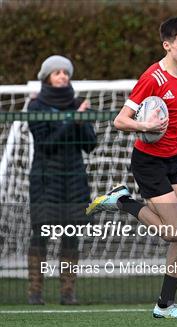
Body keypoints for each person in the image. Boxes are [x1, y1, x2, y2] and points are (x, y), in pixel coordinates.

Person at [86, 17, 177, 318]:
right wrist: (144, 124)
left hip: (174, 160)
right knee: (176, 232)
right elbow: (119, 121)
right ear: (167, 45)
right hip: (148, 162)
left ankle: (164, 306)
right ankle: (123, 202)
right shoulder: (152, 78)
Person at [27, 55, 96, 305]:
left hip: (74, 179)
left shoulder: (78, 104)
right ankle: (35, 291)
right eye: (57, 73)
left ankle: (68, 292)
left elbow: (90, 144)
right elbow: (45, 144)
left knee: (71, 235)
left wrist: (82, 122)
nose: (62, 77)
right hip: (45, 179)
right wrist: (71, 120)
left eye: (65, 73)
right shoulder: (35, 107)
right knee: (40, 233)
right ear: (47, 77)